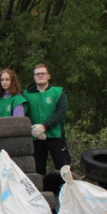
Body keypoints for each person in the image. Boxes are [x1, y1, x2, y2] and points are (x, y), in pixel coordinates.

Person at [25, 64, 70, 193]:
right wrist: (35, 128)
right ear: (34, 77)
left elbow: (61, 113)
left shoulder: (58, 92)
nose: (40, 76)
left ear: (48, 76)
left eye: (43, 73)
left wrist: (44, 126)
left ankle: (68, 196)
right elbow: (25, 113)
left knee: (64, 169)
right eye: (37, 74)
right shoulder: (27, 94)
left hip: (55, 137)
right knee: (38, 171)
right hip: (36, 138)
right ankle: (43, 200)